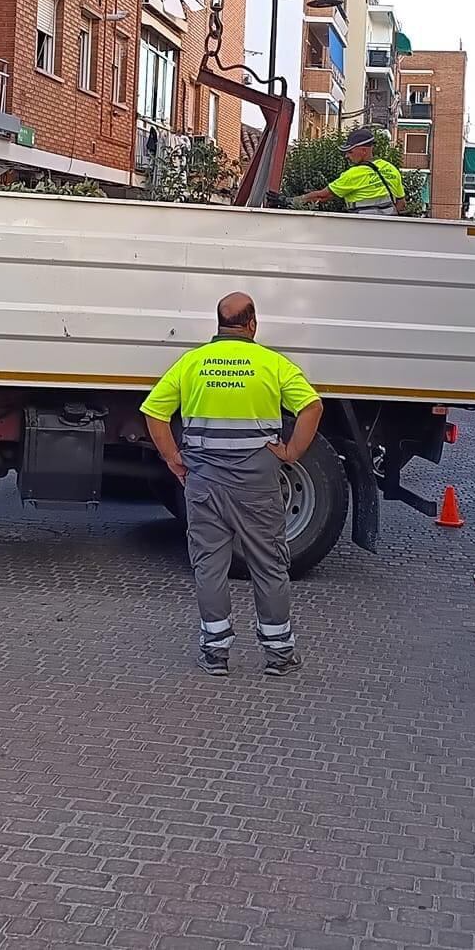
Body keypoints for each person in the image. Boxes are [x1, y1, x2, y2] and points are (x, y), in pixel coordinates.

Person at [141, 292, 324, 678]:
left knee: (210, 564)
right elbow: (312, 407)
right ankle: (278, 655)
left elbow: (155, 413)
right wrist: (290, 452)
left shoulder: (192, 363)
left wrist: (174, 458)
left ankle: (215, 652)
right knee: (269, 564)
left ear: (219, 323)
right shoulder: (272, 364)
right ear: (252, 324)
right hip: (257, 482)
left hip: (205, 479)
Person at [294, 127, 404, 215]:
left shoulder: (354, 174)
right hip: (387, 230)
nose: (346, 156)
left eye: (350, 152)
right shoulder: (391, 169)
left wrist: (293, 201)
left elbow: (322, 196)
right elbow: (401, 204)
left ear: (364, 151)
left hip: (359, 228)